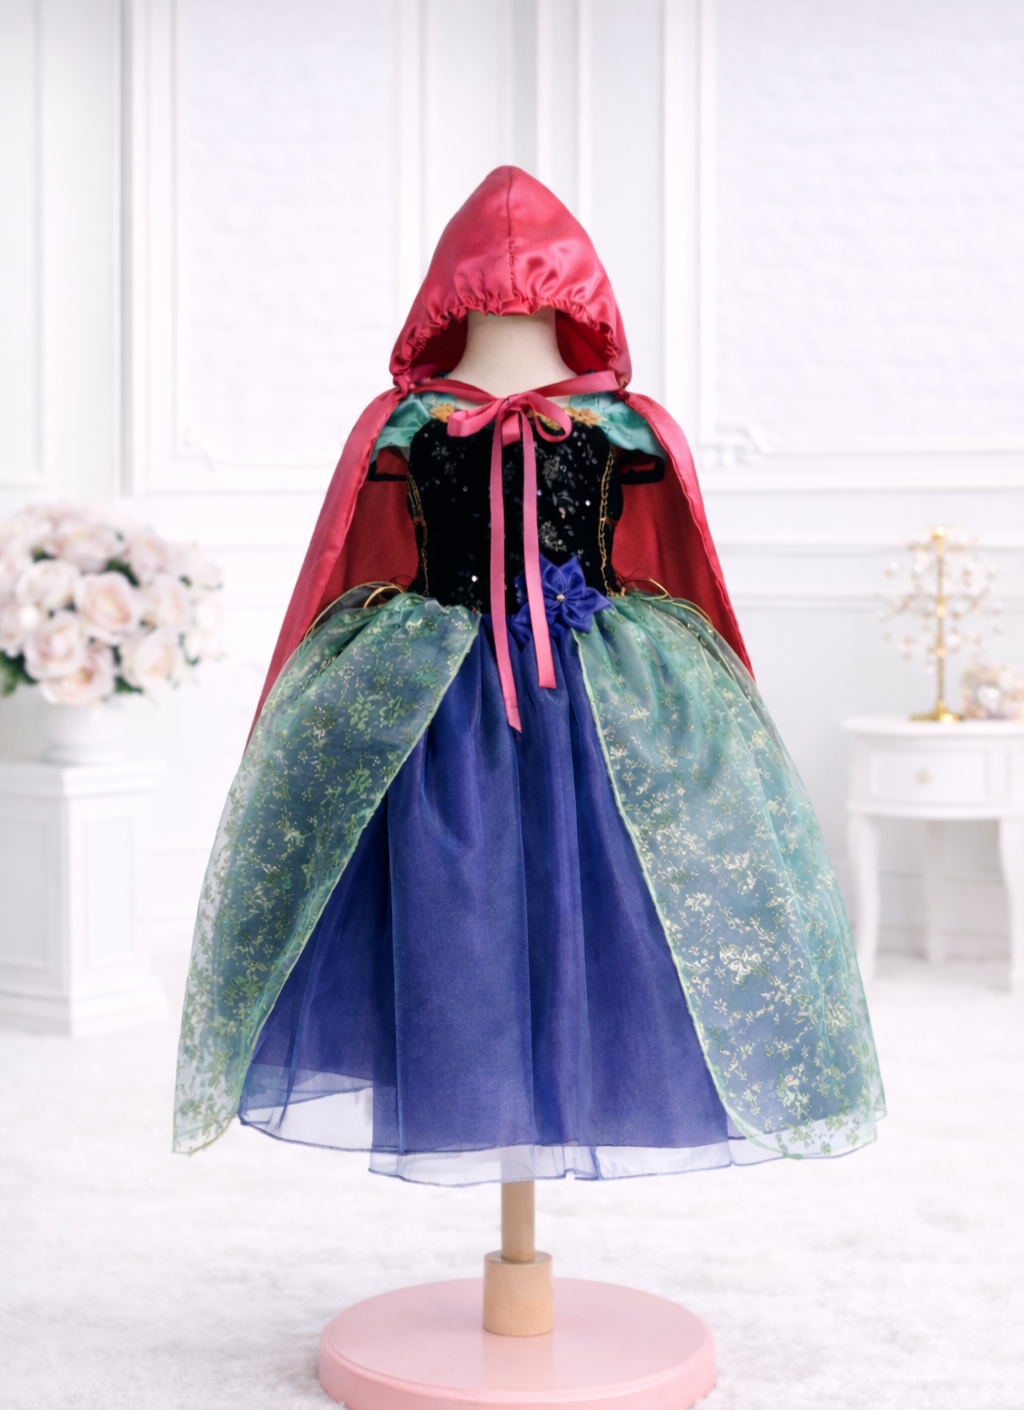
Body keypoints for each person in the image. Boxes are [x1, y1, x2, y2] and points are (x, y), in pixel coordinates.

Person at [173, 166, 884, 1183]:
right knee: (449, 908)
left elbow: (681, 554)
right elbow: (342, 553)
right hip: (435, 703)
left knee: (610, 904)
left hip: (597, 689)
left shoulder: (623, 422)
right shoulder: (402, 422)